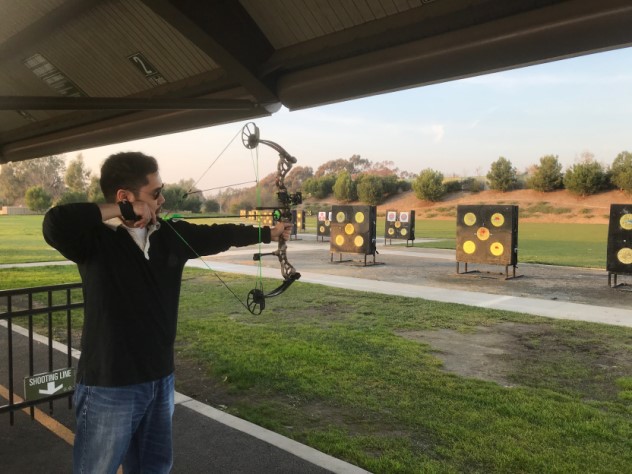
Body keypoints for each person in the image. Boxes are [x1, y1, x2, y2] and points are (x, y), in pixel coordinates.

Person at [42, 151, 291, 473]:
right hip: (109, 384)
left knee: (154, 467)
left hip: (160, 379)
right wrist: (122, 212)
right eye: (155, 193)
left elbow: (222, 233)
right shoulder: (94, 241)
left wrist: (268, 234)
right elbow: (55, 221)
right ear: (124, 197)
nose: (162, 200)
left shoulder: (170, 237)